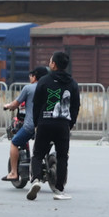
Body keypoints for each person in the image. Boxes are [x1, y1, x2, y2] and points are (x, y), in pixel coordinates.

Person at [26, 51, 80, 201]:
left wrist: (37, 123)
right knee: (62, 157)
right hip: (63, 124)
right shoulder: (72, 83)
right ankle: (59, 190)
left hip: (45, 122)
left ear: (54, 64)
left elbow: (36, 104)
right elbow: (75, 106)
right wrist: (71, 123)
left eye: (50, 61)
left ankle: (36, 179)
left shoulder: (44, 81)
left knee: (37, 154)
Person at [2, 65, 50, 182]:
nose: (30, 78)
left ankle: (13, 173)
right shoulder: (51, 88)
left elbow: (15, 104)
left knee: (14, 142)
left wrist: (8, 106)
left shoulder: (28, 89)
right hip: (50, 125)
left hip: (31, 126)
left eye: (31, 76)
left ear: (34, 77)